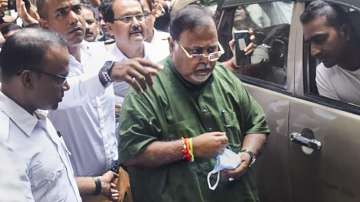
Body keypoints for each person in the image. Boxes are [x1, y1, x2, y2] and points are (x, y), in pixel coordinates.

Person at [118, 5, 270, 202]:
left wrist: (247, 154)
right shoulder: (147, 89)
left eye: (212, 50)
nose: (206, 61)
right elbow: (131, 153)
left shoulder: (224, 77)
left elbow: (257, 125)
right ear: (172, 45)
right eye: (196, 51)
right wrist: (189, 148)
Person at [32, 0, 161, 200]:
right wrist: (105, 76)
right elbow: (65, 94)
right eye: (61, 13)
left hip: (117, 177)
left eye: (76, 9)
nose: (74, 19)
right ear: (44, 24)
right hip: (77, 189)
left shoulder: (100, 53)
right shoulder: (40, 69)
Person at [0, 28, 81, 202]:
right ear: (28, 79)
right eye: (60, 78)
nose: (66, 87)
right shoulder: (5, 144)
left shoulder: (34, 108)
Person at [300, 0, 360, 105]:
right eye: (309, 43)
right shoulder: (324, 74)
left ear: (345, 32)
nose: (313, 52)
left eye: (319, 39)